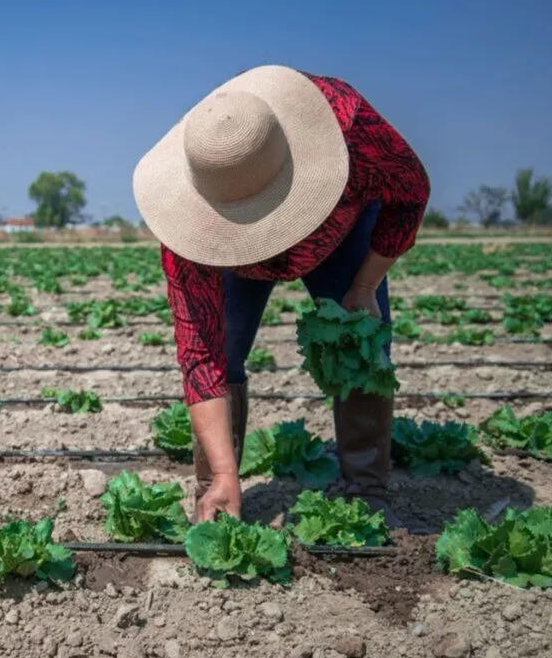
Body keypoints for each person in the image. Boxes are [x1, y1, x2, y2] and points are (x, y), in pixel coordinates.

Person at [132, 65, 430, 528]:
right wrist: (227, 473)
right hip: (232, 263)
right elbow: (201, 356)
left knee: (362, 339)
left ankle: (368, 487)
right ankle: (216, 489)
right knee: (225, 349)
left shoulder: (351, 128)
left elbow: (410, 193)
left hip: (340, 234)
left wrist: (365, 285)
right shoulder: (188, 240)